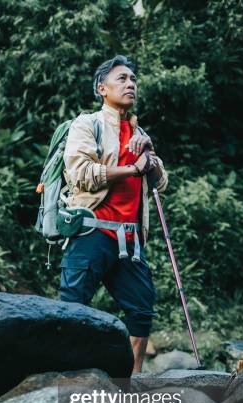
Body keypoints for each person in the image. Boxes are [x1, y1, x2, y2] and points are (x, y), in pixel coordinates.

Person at [59, 55, 168, 373]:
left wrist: (150, 157)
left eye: (134, 79)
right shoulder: (87, 124)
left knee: (141, 309)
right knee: (72, 307)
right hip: (92, 231)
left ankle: (132, 381)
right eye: (122, 79)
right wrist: (131, 167)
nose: (131, 84)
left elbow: (159, 183)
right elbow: (81, 172)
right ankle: (68, 378)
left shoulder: (138, 132)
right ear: (102, 88)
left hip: (129, 240)